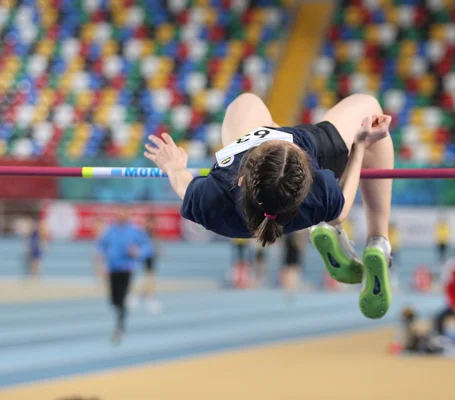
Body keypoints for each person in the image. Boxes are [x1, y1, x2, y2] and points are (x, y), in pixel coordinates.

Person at [144, 93, 394, 319]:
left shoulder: (215, 197)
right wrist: (360, 147)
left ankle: (329, 228)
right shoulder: (320, 191)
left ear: (241, 179)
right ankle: (378, 241)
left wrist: (173, 165)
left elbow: (181, 182)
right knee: (370, 110)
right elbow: (341, 210)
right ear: (307, 174)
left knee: (246, 102)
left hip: (283, 201)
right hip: (311, 165)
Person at [97, 206, 152, 344]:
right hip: (113, 269)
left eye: (124, 213)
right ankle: (120, 316)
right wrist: (101, 257)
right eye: (119, 213)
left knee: (121, 298)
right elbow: (101, 245)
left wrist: (137, 252)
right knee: (113, 300)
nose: (121, 215)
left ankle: (120, 327)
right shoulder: (110, 230)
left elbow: (147, 247)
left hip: (126, 269)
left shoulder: (134, 231)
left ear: (128, 215)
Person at [139, 216, 161, 313]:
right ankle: (149, 297)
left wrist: (158, 249)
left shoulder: (151, 232)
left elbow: (155, 242)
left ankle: (146, 295)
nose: (152, 225)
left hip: (151, 256)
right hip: (146, 256)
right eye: (151, 223)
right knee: (150, 277)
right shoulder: (144, 232)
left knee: (150, 277)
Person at [281, 230, 305, 299]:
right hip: (289, 253)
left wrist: (298, 237)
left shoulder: (298, 232)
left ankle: (293, 289)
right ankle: (288, 290)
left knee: (294, 272)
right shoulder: (287, 232)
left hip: (295, 253)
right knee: (288, 272)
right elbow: (283, 244)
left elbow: (300, 245)